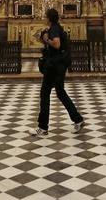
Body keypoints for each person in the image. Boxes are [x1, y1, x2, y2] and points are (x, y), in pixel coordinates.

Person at [33, 8, 84, 137]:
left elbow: (56, 44)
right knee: (60, 92)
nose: (44, 18)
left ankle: (42, 127)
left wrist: (46, 40)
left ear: (49, 18)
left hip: (54, 66)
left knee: (45, 93)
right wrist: (44, 38)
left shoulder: (54, 28)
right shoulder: (56, 28)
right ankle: (77, 119)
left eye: (46, 16)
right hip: (58, 65)